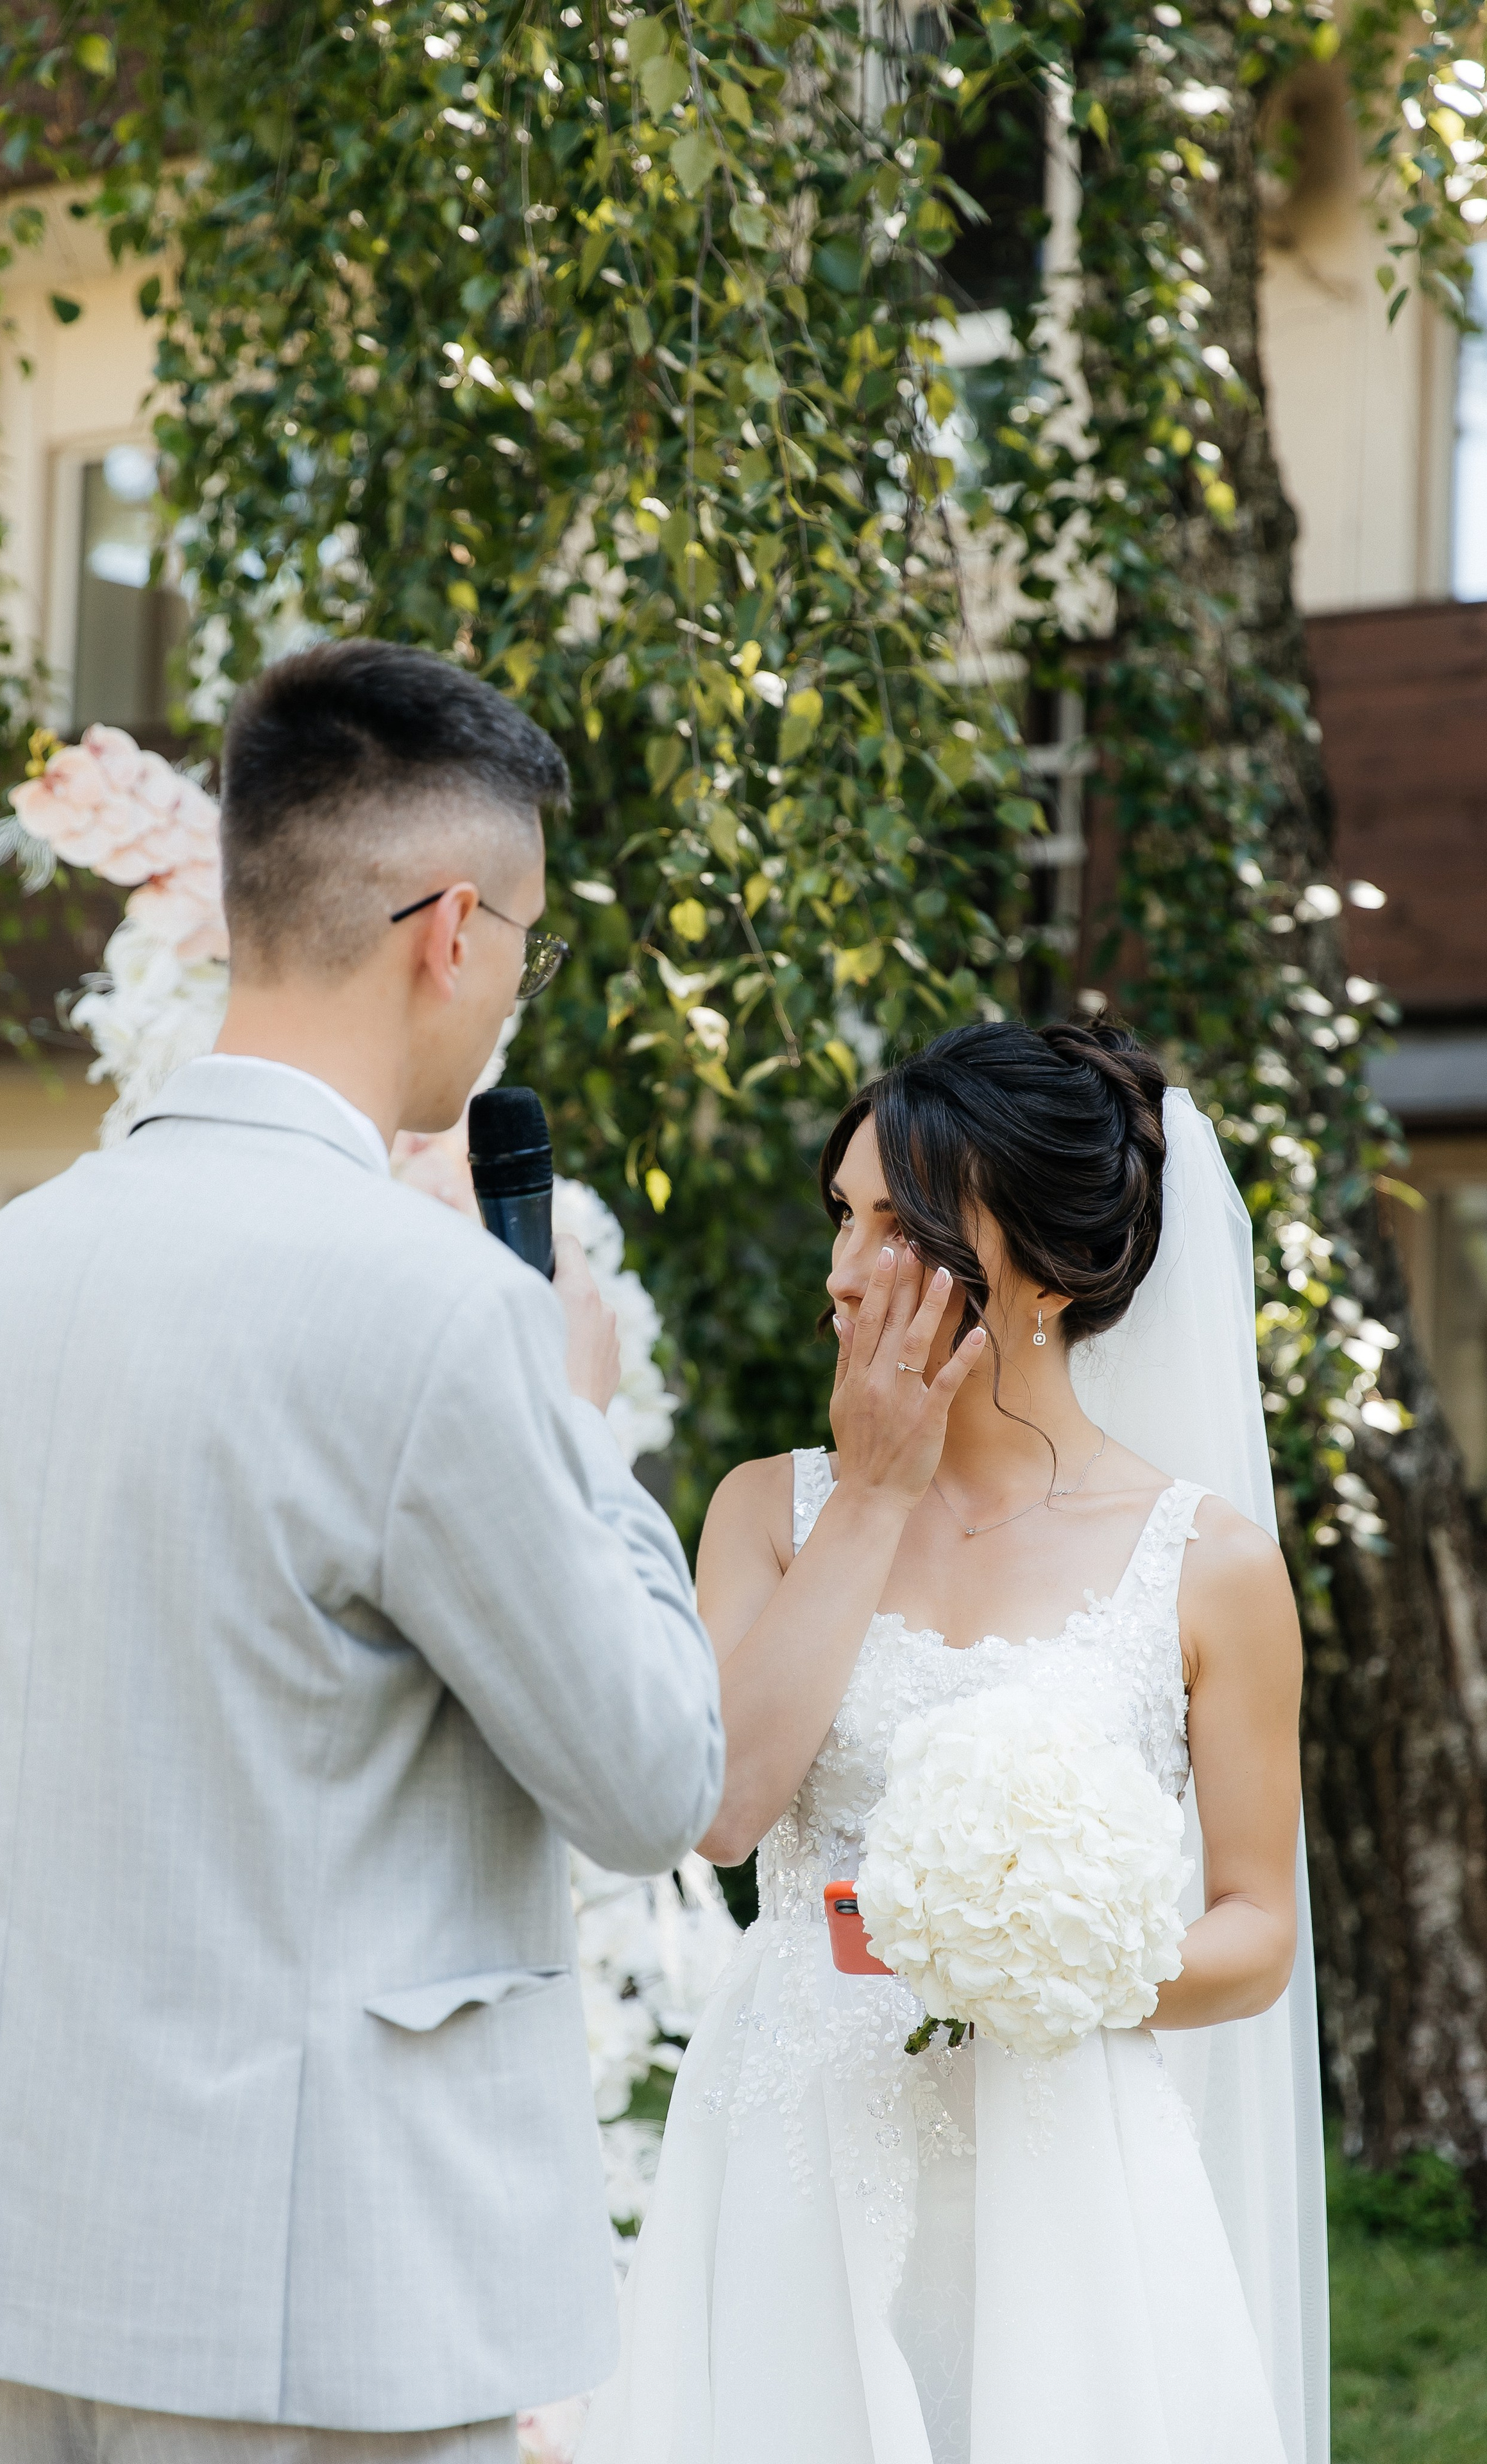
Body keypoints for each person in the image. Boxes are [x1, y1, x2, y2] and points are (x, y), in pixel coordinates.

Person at [0, 641, 726, 2464]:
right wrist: (585, 1422)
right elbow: (646, 1780)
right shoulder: (435, 1314)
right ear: (452, 929)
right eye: (531, 946)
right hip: (333, 2293)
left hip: (37, 2256)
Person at [579, 1018, 1329, 2464]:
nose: (844, 1269)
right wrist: (869, 1495)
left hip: (1063, 2171)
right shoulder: (765, 1512)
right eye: (842, 1216)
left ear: (1042, 1275)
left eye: (897, 1226)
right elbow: (724, 1811)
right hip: (794, 2143)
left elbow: (1253, 1929)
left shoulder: (1208, 1565)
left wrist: (1052, 1961)